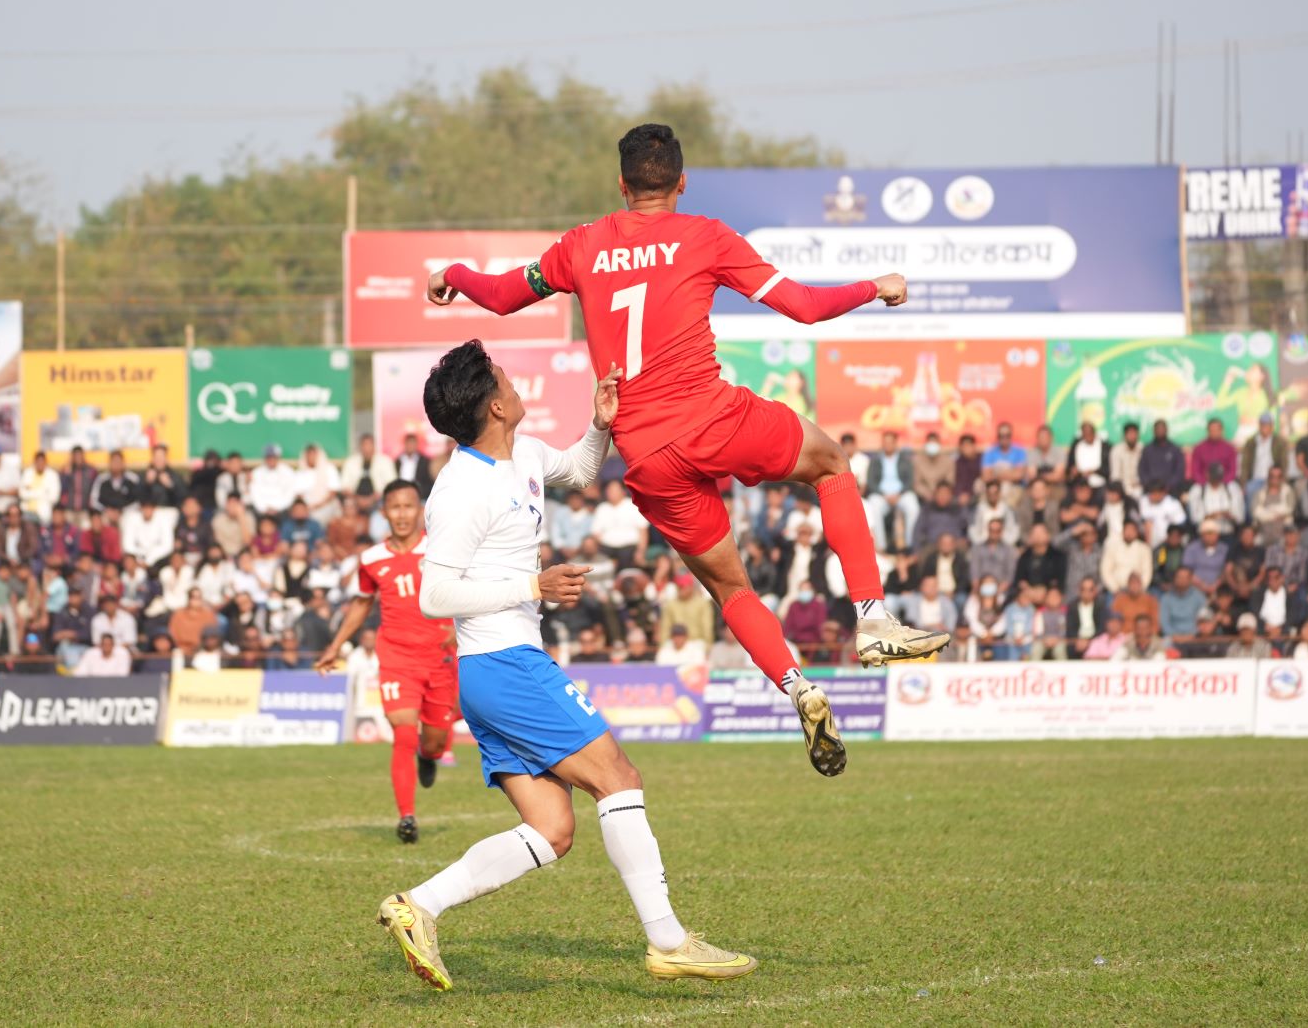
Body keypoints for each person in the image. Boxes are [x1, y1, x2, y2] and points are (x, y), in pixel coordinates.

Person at [427, 123, 947, 777]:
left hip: (645, 454)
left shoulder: (581, 245)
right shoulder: (706, 235)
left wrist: (452, 273)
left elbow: (503, 296)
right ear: (681, 181)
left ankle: (798, 687)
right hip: (712, 417)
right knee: (831, 463)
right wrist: (877, 285)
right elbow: (806, 307)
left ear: (621, 185)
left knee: (731, 588)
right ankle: (872, 617)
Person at [376, 339, 753, 991]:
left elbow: (578, 470)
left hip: (497, 670)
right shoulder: (460, 489)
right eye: (504, 377)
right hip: (504, 664)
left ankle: (419, 905)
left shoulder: (521, 453)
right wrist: (534, 585)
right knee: (619, 777)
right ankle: (668, 940)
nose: (514, 382)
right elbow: (435, 595)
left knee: (551, 830)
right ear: (495, 405)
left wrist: (600, 425)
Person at [315, 480, 453, 844]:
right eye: (395, 507)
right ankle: (407, 817)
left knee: (435, 743)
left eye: (409, 506)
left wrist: (460, 625)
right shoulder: (371, 559)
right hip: (397, 657)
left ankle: (429, 756)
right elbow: (362, 603)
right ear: (384, 513)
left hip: (440, 657)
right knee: (403, 733)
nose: (402, 514)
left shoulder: (442, 548)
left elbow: (468, 588)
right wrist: (336, 645)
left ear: (419, 510)